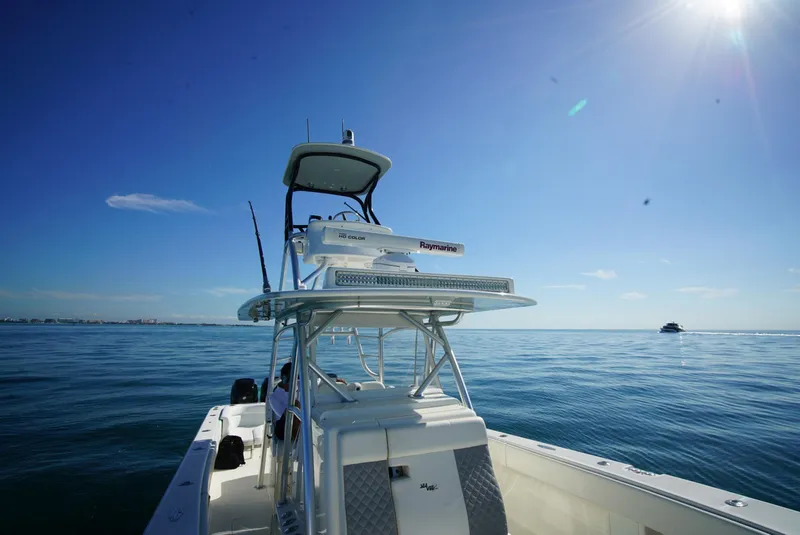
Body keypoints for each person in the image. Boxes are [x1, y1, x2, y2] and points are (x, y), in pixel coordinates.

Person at [269, 362, 300, 442]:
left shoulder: (299, 385)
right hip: (284, 427)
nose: (295, 380)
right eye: (291, 377)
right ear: (284, 378)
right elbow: (285, 416)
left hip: (301, 421)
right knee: (295, 406)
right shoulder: (274, 397)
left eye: (296, 377)